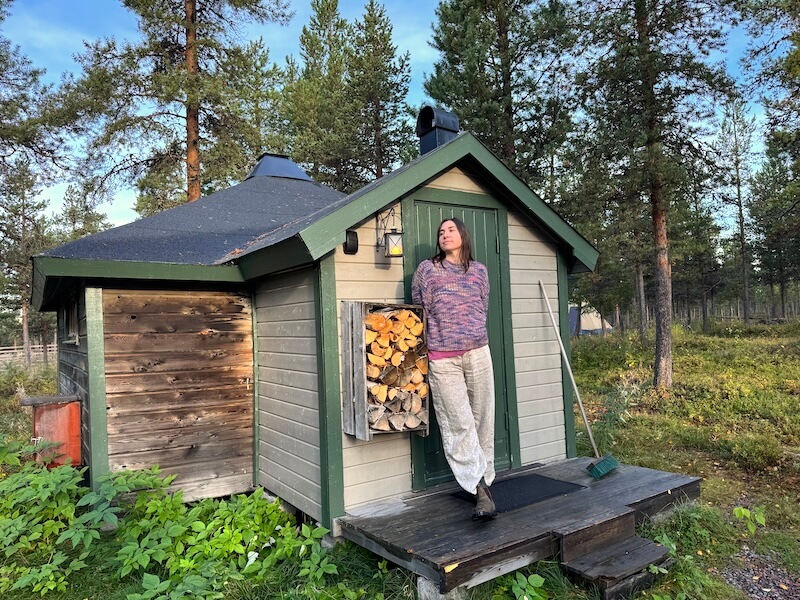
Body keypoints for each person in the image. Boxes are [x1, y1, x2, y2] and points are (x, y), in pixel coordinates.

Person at [411, 217, 497, 521]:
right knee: (459, 423)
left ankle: (484, 478)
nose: (444, 234)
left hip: (478, 353)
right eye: (440, 232)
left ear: (463, 234)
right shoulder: (428, 269)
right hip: (443, 358)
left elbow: (482, 306)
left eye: (450, 230)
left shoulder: (480, 271)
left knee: (482, 418)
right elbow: (419, 306)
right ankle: (479, 491)